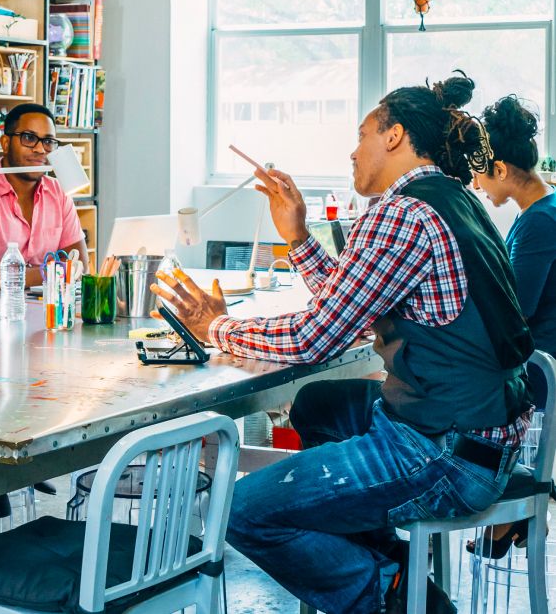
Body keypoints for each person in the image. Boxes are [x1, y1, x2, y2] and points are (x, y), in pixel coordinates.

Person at [153, 73, 534, 614]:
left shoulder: (400, 214)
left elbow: (316, 337)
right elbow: (354, 312)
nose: (352, 152)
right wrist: (298, 237)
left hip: (443, 453)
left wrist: (215, 328)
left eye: (362, 135)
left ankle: (385, 592)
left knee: (239, 511)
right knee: (319, 406)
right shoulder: (454, 201)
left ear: (394, 136)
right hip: (486, 436)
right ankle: (386, 561)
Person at [467, 95, 556, 558]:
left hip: (536, 373)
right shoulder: (539, 213)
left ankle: (500, 509)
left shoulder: (541, 222)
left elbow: (515, 307)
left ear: (500, 169)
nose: (477, 185)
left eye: (480, 173)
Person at [0, 103, 89, 293]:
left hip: (37, 310)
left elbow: (80, 266)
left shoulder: (59, 193)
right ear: (5, 143)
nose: (40, 149)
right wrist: (55, 271)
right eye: (29, 138)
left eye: (48, 142)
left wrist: (60, 270)